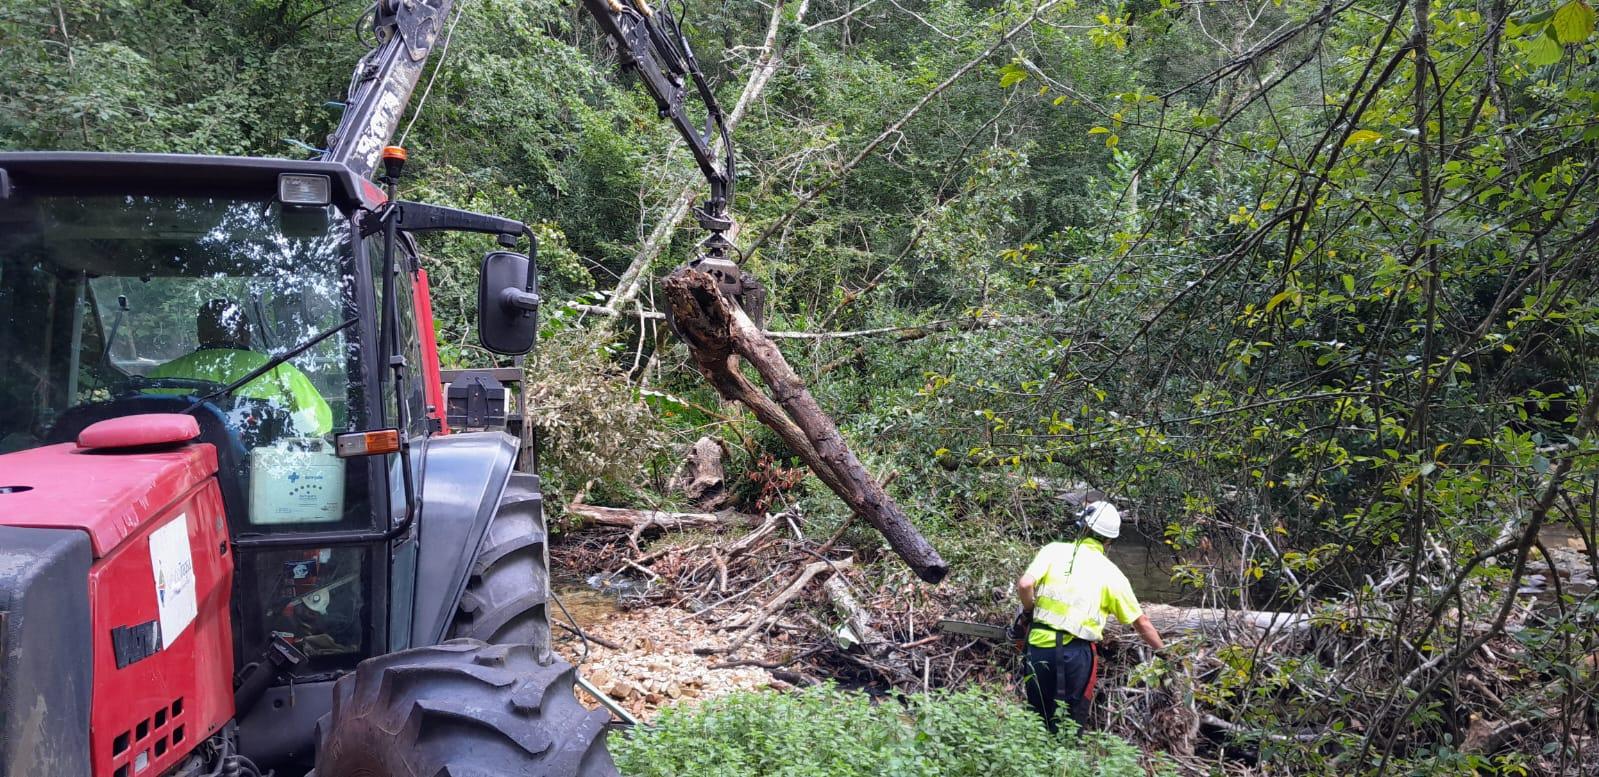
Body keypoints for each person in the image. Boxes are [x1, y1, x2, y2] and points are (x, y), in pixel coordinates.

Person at [1015, 497, 1164, 733]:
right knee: (1070, 723)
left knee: (1038, 720)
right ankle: (1065, 765)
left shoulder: (1053, 550)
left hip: (1038, 645)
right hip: (1075, 654)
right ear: (1109, 540)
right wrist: (1165, 654)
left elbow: (1025, 584)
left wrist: (1029, 611)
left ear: (1081, 527)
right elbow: (1141, 622)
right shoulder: (1111, 574)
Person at [148, 299, 333, 436]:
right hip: (260, 474)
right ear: (246, 333)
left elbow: (140, 423)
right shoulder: (279, 371)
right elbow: (320, 424)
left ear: (200, 335)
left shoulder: (161, 376)